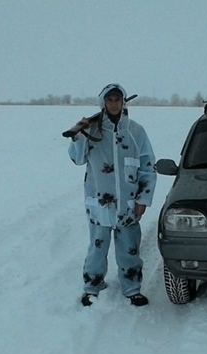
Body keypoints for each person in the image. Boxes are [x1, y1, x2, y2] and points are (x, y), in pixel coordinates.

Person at [67, 83, 157, 307]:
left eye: (118, 99)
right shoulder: (92, 130)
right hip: (99, 203)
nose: (114, 103)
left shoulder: (136, 131)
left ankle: (132, 288)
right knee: (97, 248)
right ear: (103, 103)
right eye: (110, 100)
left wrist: (143, 199)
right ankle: (92, 286)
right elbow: (77, 159)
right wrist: (78, 134)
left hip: (128, 204)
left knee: (129, 248)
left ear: (123, 102)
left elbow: (147, 166)